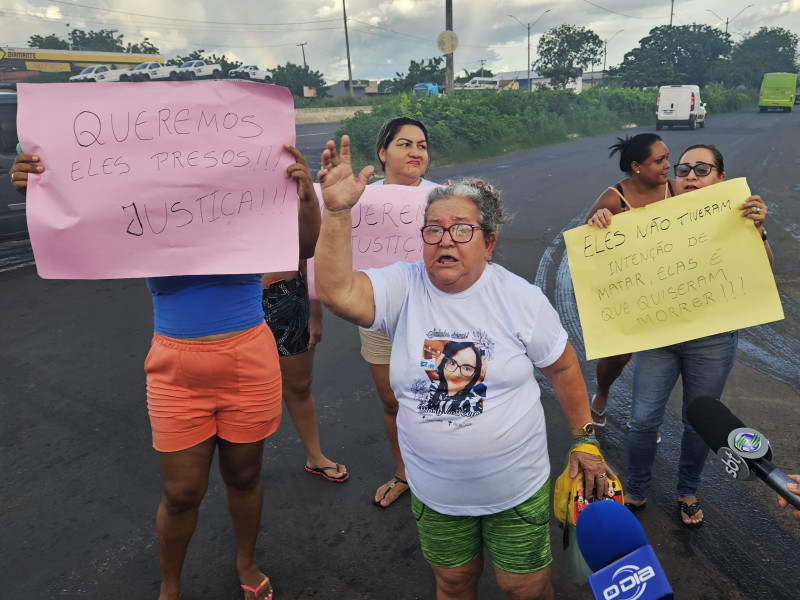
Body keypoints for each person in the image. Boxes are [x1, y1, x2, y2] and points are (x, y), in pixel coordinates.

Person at [10, 144, 321, 600]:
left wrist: (305, 195)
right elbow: (76, 228)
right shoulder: (142, 198)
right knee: (180, 493)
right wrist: (39, 187)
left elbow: (306, 247)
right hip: (175, 366)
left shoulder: (246, 196)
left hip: (249, 361)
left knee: (244, 477)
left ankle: (247, 562)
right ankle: (170, 586)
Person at [313, 135, 610, 600]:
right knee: (453, 584)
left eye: (461, 229)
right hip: (437, 494)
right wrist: (335, 214)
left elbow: (564, 368)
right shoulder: (404, 286)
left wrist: (585, 440)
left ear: (488, 242)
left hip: (516, 488)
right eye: (433, 229)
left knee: (526, 587)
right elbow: (338, 294)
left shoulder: (519, 298)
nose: (444, 239)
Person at [592, 143, 773, 526]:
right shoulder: (656, 208)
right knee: (642, 421)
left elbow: (763, 270)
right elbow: (605, 251)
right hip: (659, 335)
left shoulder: (742, 212)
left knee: (698, 422)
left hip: (713, 339)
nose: (691, 175)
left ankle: (688, 489)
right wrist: (601, 224)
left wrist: (758, 228)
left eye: (702, 169)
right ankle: (637, 488)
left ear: (721, 178)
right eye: (684, 167)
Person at [261, 146, 348, 484]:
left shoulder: (286, 182)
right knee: (241, 391)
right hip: (230, 302)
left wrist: (315, 311)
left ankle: (315, 455)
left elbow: (308, 251)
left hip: (285, 296)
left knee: (298, 385)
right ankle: (239, 471)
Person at [362, 117, 437, 507]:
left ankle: (445, 470)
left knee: (440, 395)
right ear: (383, 152)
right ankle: (404, 471)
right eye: (405, 144)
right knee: (392, 400)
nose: (415, 152)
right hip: (379, 315)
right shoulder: (362, 199)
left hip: (437, 315)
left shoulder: (444, 197)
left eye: (421, 145)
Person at [585, 134, 674, 433]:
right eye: (659, 160)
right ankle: (603, 392)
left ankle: (646, 418)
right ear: (636, 166)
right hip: (628, 291)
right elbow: (586, 246)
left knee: (660, 357)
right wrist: (597, 219)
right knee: (618, 357)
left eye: (667, 158)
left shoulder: (677, 191)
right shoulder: (614, 198)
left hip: (671, 289)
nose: (667, 165)